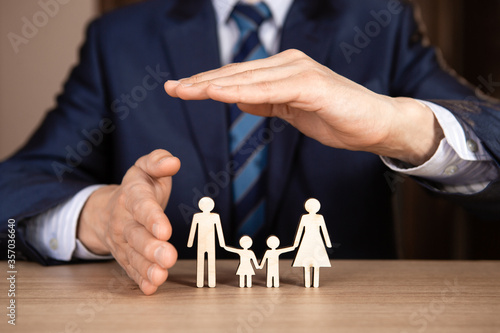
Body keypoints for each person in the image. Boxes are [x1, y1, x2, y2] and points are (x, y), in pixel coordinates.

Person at [1, 0, 499, 296]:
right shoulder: (120, 38)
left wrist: (400, 125)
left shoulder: (380, 20)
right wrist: (99, 217)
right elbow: (14, 191)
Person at [291, 199, 332, 288]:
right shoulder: (304, 217)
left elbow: (324, 230)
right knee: (306, 262)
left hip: (317, 241)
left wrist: (328, 242)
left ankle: (315, 283)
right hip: (307, 240)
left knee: (316, 262)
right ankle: (307, 283)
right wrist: (296, 243)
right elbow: (300, 230)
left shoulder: (319, 217)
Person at [187, 197, 226, 288]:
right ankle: (200, 282)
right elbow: (193, 229)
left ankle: (211, 282)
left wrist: (221, 242)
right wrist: (190, 242)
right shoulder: (197, 216)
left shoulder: (215, 216)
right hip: (201, 243)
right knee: (200, 262)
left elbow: (219, 229)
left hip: (210, 242)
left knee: (211, 262)